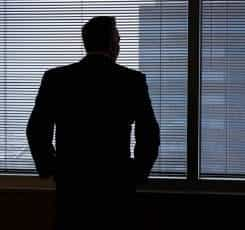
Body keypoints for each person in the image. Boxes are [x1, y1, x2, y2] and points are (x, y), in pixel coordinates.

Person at [26, 16, 160, 229]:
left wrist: (51, 167)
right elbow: (149, 134)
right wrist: (136, 173)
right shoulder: (131, 81)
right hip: (115, 186)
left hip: (72, 184)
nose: (119, 45)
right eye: (118, 40)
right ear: (112, 43)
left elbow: (36, 129)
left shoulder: (56, 79)